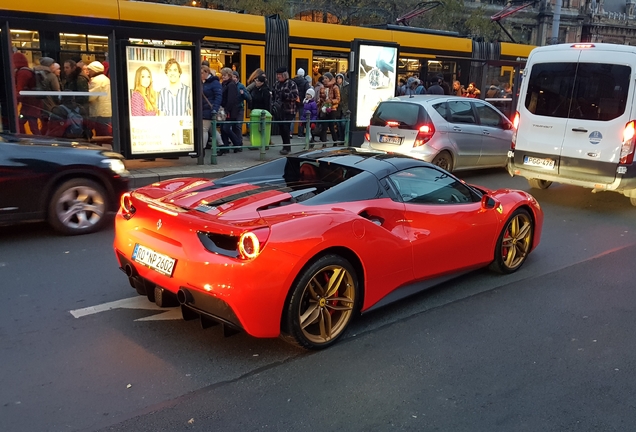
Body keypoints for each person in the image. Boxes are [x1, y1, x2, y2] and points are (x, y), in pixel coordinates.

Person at [272, 67, 299, 155]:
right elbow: (274, 96)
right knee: (281, 129)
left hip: (289, 109)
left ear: (284, 75)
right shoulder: (276, 84)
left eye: (280, 75)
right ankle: (285, 146)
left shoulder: (292, 83)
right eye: (277, 75)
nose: (278, 76)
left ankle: (287, 148)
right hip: (279, 110)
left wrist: (285, 95)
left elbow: (295, 96)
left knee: (286, 128)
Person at [13, 52, 40, 134]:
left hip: (30, 106)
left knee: (31, 125)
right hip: (30, 105)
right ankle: (27, 139)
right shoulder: (25, 71)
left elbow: (19, 89)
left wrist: (15, 102)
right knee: (25, 124)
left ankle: (35, 141)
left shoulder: (23, 73)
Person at [35, 56, 61, 135]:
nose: (53, 66)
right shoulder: (51, 76)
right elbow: (56, 91)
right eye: (52, 65)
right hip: (50, 103)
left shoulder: (36, 74)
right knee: (50, 123)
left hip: (39, 103)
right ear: (48, 65)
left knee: (43, 122)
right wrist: (59, 102)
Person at [219, 67, 242, 154]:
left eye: (224, 75)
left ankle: (237, 143)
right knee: (223, 128)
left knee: (225, 128)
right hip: (228, 110)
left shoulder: (231, 85)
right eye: (222, 75)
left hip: (230, 111)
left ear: (229, 75)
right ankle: (225, 147)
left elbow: (231, 99)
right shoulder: (225, 84)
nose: (223, 77)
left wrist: (226, 110)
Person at [87, 61, 112, 136]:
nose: (88, 72)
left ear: (94, 70)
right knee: (106, 132)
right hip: (107, 110)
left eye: (90, 70)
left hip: (99, 111)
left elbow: (90, 97)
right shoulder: (106, 79)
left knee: (100, 132)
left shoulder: (96, 81)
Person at [201, 65, 222, 149]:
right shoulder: (205, 82)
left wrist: (214, 109)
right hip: (206, 109)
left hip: (209, 109)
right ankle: (221, 145)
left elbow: (218, 96)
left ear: (207, 72)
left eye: (202, 73)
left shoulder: (214, 83)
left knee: (204, 129)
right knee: (212, 129)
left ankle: (202, 149)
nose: (200, 75)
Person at [318, 72, 340, 146]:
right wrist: (320, 102)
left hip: (332, 109)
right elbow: (321, 98)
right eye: (324, 78)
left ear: (330, 79)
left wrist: (331, 101)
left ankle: (335, 141)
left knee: (331, 127)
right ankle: (324, 143)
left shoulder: (335, 87)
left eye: (326, 78)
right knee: (324, 127)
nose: (324, 80)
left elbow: (338, 99)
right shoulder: (322, 87)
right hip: (324, 108)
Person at [232, 71, 251, 146]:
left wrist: (243, 94)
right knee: (233, 126)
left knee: (238, 126)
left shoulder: (241, 86)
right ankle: (235, 142)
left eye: (234, 76)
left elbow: (248, 97)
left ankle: (239, 142)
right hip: (232, 109)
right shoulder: (230, 85)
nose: (233, 78)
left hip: (239, 108)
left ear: (237, 78)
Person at [336, 72, 350, 143]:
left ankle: (344, 138)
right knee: (339, 124)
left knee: (343, 123)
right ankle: (341, 138)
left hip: (345, 108)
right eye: (337, 78)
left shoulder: (347, 86)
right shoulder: (336, 87)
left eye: (340, 78)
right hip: (338, 108)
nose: (338, 79)